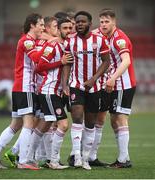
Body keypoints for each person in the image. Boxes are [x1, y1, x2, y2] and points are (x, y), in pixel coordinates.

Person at [0, 13, 47, 170]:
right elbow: (36, 57)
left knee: (15, 125)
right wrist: (50, 45)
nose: (43, 27)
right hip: (24, 87)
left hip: (21, 87)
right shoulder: (27, 41)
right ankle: (23, 161)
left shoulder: (31, 41)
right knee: (29, 123)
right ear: (32, 25)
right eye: (40, 24)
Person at [63, 11, 110, 170]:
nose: (79, 24)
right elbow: (67, 63)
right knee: (76, 118)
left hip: (94, 87)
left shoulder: (100, 40)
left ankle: (85, 158)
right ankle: (76, 156)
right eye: (77, 22)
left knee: (90, 124)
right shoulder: (70, 41)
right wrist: (64, 84)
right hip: (76, 85)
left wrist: (93, 79)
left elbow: (106, 62)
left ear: (90, 24)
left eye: (83, 22)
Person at [24, 17, 73, 170]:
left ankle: (28, 157)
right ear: (58, 30)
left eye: (70, 28)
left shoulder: (65, 46)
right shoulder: (52, 46)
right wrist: (61, 62)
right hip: (48, 90)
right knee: (63, 125)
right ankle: (54, 161)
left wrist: (65, 86)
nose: (68, 31)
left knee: (44, 126)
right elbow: (40, 67)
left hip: (55, 91)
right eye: (64, 28)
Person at [95, 8, 136, 168]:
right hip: (115, 84)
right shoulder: (106, 34)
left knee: (120, 118)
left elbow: (126, 61)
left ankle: (124, 160)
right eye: (102, 22)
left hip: (122, 84)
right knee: (114, 120)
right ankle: (122, 158)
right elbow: (93, 31)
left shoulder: (119, 39)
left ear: (114, 22)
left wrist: (112, 78)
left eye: (107, 21)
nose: (103, 25)